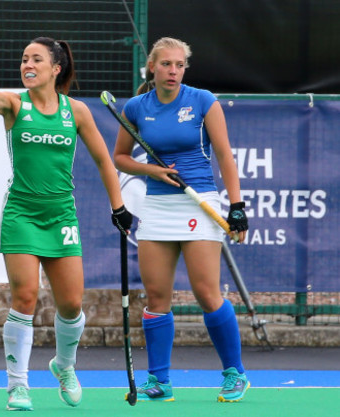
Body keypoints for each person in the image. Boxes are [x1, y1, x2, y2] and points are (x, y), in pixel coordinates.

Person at [0, 35, 133, 411]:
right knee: (24, 297)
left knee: (71, 304)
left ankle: (64, 366)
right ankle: (18, 386)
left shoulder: (77, 112)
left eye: (36, 59)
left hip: (61, 215)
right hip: (21, 213)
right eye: (24, 59)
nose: (28, 65)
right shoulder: (13, 104)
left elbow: (106, 161)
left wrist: (118, 207)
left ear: (55, 68)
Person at [112, 37, 250, 403]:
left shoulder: (203, 101)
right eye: (166, 64)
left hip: (197, 201)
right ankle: (159, 381)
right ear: (152, 68)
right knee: (156, 297)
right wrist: (151, 170)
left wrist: (236, 206)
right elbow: (120, 159)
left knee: (207, 293)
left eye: (179, 65)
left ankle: (234, 373)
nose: (173, 71)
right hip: (157, 206)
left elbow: (224, 155)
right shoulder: (137, 107)